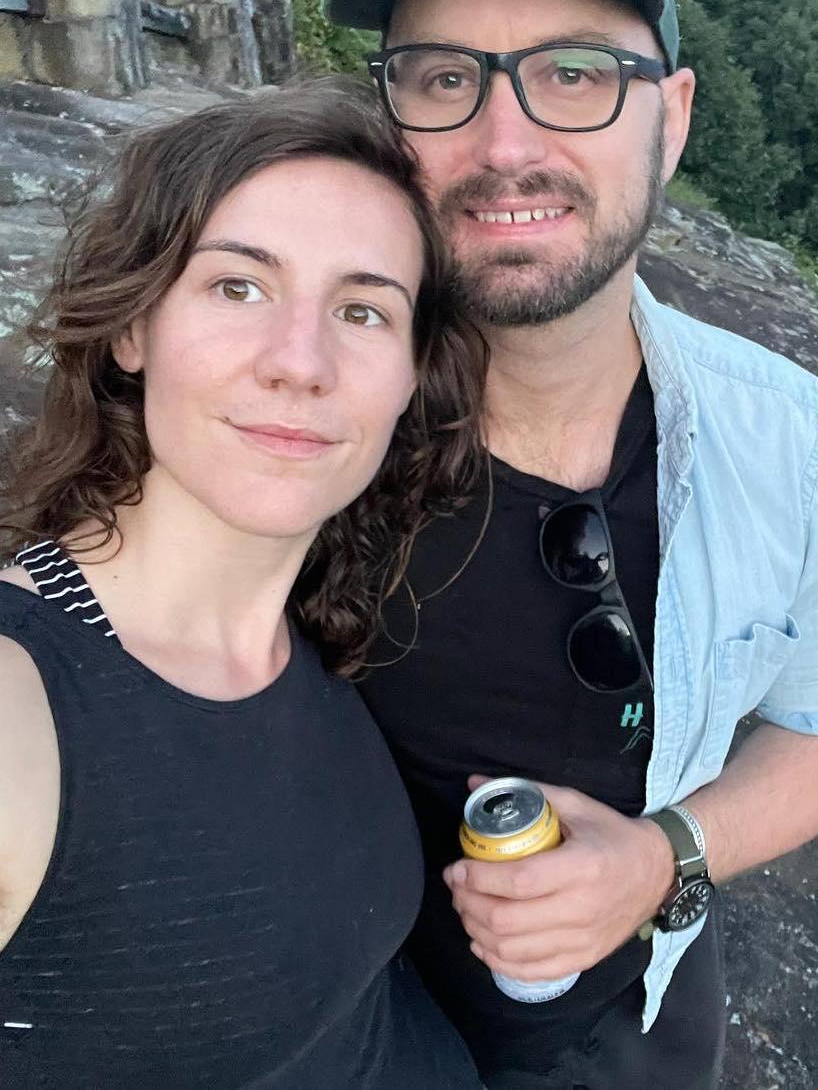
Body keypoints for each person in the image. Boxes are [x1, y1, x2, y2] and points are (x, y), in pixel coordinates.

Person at [324, 0, 818, 1085]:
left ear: (672, 116)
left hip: (634, 1020)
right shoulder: (300, 417)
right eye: (443, 78)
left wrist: (660, 861)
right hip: (338, 1026)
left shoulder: (784, 447)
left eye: (576, 73)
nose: (506, 144)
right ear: (388, 120)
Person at [0, 81, 485, 1088]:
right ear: (134, 328)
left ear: (407, 376)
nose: (299, 362)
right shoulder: (24, 710)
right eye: (238, 287)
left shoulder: (314, 635)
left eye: (362, 310)